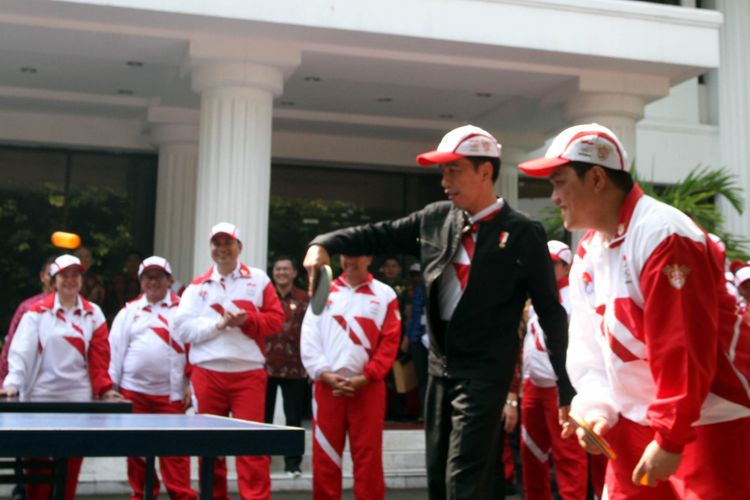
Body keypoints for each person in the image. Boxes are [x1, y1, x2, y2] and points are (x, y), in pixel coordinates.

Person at [304, 124, 573, 499]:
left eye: (454, 170)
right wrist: (323, 243)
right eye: (442, 171)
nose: (445, 181)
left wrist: (567, 387)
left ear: (485, 171)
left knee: (461, 478)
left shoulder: (524, 233)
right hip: (439, 367)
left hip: (485, 371)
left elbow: (551, 314)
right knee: (443, 475)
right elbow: (376, 234)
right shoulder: (435, 218)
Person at [518, 123, 750, 499]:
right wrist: (597, 409)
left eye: (560, 183)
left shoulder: (663, 234)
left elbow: (683, 348)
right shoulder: (587, 254)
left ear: (596, 178)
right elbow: (589, 352)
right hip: (639, 418)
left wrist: (671, 437)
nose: (554, 197)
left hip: (712, 417)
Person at [174, 222, 285, 500]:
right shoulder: (196, 286)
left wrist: (249, 320)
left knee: (252, 447)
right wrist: (219, 325)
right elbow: (183, 330)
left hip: (248, 373)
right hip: (207, 373)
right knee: (210, 447)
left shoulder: (258, 279)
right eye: (217, 243)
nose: (222, 249)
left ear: (239, 247)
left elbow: (276, 320)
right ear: (211, 248)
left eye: (228, 243)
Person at [0, 254, 122, 500]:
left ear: (81, 279)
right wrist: (12, 384)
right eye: (64, 275)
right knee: (37, 469)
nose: (70, 280)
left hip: (78, 401)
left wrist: (105, 389)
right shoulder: (36, 312)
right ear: (53, 280)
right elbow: (20, 352)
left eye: (75, 275)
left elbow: (99, 357)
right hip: (39, 399)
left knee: (70, 468)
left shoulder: (93, 313)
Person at [300, 254, 401, 500]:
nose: (349, 261)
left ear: (369, 258)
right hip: (327, 387)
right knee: (325, 458)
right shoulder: (324, 290)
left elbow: (390, 342)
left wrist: (367, 377)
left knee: (368, 459)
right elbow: (309, 335)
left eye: (356, 256)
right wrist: (323, 373)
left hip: (368, 389)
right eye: (346, 256)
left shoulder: (385, 294)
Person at [109, 256, 196, 500]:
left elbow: (194, 349)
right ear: (141, 281)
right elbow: (115, 351)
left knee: (175, 453)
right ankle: (142, 494)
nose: (154, 282)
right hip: (133, 393)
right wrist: (110, 389)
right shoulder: (129, 312)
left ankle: (183, 496)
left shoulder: (184, 310)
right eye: (148, 277)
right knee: (137, 452)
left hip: (170, 396)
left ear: (169, 280)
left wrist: (192, 384)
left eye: (159, 276)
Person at [520, 241, 588, 500]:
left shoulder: (575, 298)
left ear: (565, 265)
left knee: (568, 455)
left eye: (550, 264)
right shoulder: (535, 295)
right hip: (533, 384)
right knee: (531, 453)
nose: (543, 269)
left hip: (562, 388)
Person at [263, 255, 310, 478]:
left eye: (285, 269)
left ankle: (293, 464)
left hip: (295, 366)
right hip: (265, 365)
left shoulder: (304, 298)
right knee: (264, 418)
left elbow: (311, 331)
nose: (281, 272)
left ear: (294, 273)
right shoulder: (264, 297)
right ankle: (262, 461)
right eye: (277, 269)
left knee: (293, 418)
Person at [0, 256, 55, 383]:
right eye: (50, 275)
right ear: (42, 277)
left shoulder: (82, 310)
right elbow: (11, 346)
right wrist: (3, 382)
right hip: (31, 382)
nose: (54, 280)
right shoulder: (28, 307)